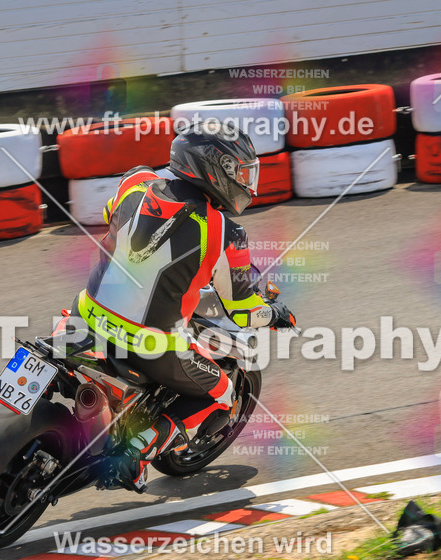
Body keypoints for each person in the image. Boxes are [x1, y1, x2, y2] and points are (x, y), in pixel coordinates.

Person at [75, 121, 297, 492]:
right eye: (240, 172)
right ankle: (136, 450)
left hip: (86, 313)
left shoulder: (135, 181)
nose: (246, 182)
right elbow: (242, 310)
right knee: (223, 393)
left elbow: (110, 214)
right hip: (152, 343)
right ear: (215, 169)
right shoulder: (224, 231)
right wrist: (275, 314)